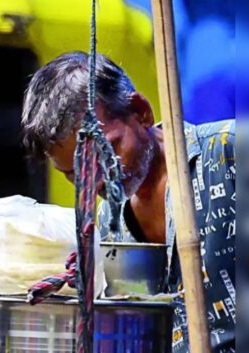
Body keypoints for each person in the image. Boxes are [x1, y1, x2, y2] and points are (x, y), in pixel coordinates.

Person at [20, 51, 235, 353]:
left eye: (107, 154)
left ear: (140, 111)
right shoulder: (111, 220)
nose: (95, 183)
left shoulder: (231, 154)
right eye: (74, 174)